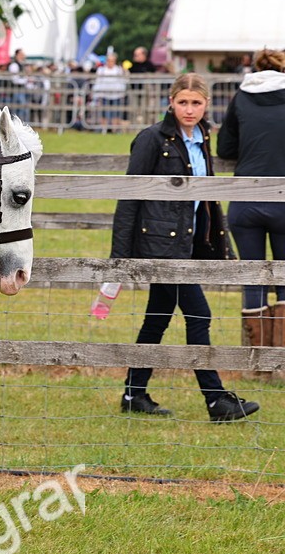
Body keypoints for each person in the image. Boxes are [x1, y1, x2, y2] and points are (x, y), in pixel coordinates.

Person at [111, 73, 259, 422]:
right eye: (183, 102)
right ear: (171, 102)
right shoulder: (152, 139)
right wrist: (119, 258)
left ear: (206, 104)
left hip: (190, 243)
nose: (189, 110)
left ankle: (134, 393)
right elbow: (130, 197)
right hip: (161, 245)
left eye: (196, 103)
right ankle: (216, 400)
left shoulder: (203, 137)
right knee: (199, 314)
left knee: (157, 319)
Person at [217, 48, 285, 348]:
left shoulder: (241, 96)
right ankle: (281, 358)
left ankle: (255, 359)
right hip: (282, 198)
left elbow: (225, 149)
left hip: (245, 199)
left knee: (252, 276)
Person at [91, 51, 127, 131]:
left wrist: (121, 93)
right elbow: (98, 82)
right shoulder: (101, 70)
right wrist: (97, 93)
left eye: (112, 61)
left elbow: (122, 82)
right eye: (109, 60)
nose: (110, 62)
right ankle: (104, 129)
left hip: (116, 95)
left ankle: (114, 129)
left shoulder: (118, 70)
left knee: (115, 113)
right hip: (104, 95)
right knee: (103, 113)